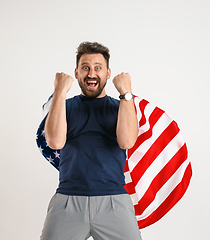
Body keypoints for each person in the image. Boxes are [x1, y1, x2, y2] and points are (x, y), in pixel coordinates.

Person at [39, 41, 142, 240]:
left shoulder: (120, 107)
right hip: (68, 201)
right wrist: (60, 91)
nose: (91, 73)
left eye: (98, 68)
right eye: (85, 67)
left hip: (114, 202)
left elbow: (127, 141)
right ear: (76, 73)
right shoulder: (66, 106)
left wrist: (126, 91)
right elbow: (54, 142)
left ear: (108, 73)